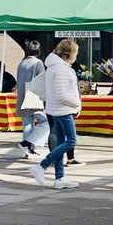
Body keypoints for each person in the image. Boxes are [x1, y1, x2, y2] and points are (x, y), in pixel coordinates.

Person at [30, 38, 81, 190]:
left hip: (56, 109)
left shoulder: (54, 67)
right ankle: (42, 166)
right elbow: (62, 94)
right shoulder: (62, 69)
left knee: (60, 142)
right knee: (71, 141)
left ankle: (60, 177)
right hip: (63, 110)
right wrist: (77, 103)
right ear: (70, 53)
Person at [15, 41, 48, 159]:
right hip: (34, 96)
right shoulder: (38, 63)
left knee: (27, 124)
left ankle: (28, 150)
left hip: (22, 96)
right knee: (45, 123)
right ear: (39, 51)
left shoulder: (21, 63)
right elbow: (43, 81)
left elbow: (18, 81)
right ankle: (28, 144)